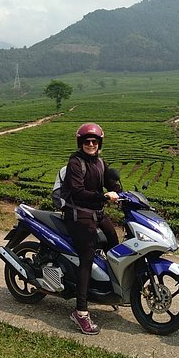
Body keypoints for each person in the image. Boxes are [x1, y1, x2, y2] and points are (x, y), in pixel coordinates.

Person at [61, 122, 121, 335]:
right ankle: (81, 312)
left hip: (96, 212)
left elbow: (108, 181)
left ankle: (112, 289)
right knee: (86, 256)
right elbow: (77, 192)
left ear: (99, 143)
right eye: (87, 141)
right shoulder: (75, 163)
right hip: (78, 214)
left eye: (95, 141)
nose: (91, 144)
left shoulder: (100, 162)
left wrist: (117, 190)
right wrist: (102, 196)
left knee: (114, 243)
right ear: (81, 143)